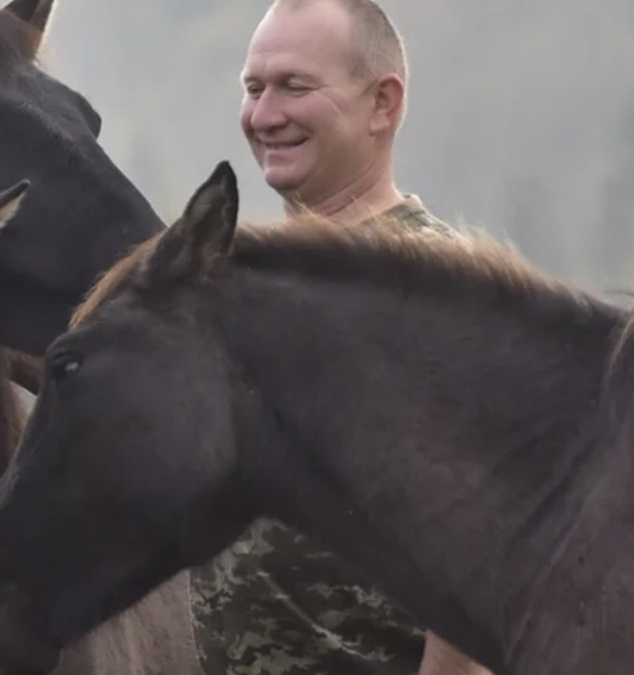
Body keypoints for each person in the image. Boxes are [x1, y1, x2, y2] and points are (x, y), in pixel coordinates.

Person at [187, 1, 494, 674]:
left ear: (382, 103)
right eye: (253, 88)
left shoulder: (439, 293)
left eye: (295, 86)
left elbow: (484, 569)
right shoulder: (232, 275)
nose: (265, 115)